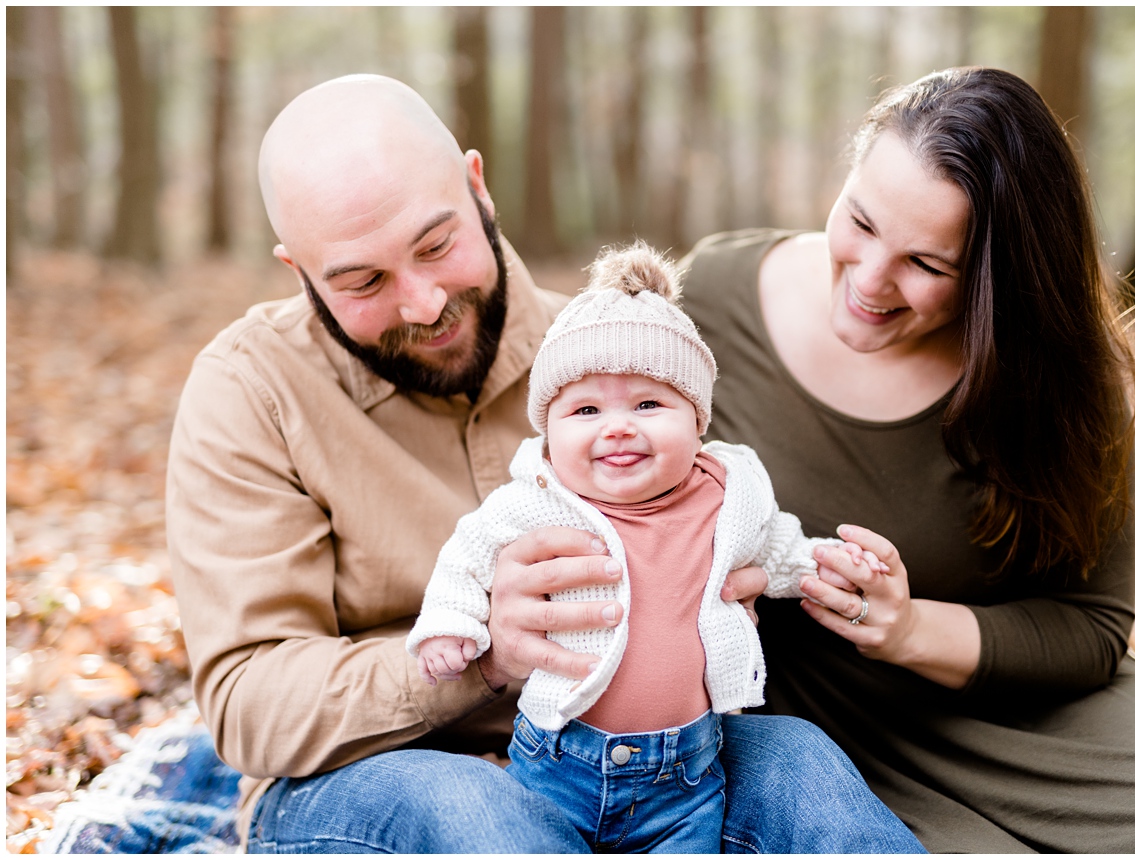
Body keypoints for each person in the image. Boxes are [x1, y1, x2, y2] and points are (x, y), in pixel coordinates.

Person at [492, 66, 1135, 852]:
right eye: (860, 222)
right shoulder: (715, 299)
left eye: (927, 265)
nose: (869, 281)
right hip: (810, 747)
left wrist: (904, 630)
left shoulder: (1066, 374)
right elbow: (572, 429)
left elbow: (1091, 625)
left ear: (998, 277)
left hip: (1032, 728)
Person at [166, 74, 921, 853]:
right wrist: (480, 657)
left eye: (437, 245)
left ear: (478, 188)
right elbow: (248, 701)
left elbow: (730, 534)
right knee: (476, 812)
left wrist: (779, 580)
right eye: (364, 281)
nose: (424, 303)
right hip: (374, 769)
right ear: (299, 272)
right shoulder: (250, 391)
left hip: (652, 753)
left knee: (800, 766)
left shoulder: (628, 361)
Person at [407, 243, 872, 850]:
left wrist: (831, 565)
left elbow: (778, 547)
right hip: (558, 759)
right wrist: (447, 624)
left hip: (688, 773)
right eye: (586, 409)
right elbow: (466, 557)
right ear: (549, 430)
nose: (618, 425)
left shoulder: (726, 496)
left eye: (650, 404)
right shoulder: (539, 499)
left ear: (697, 420)